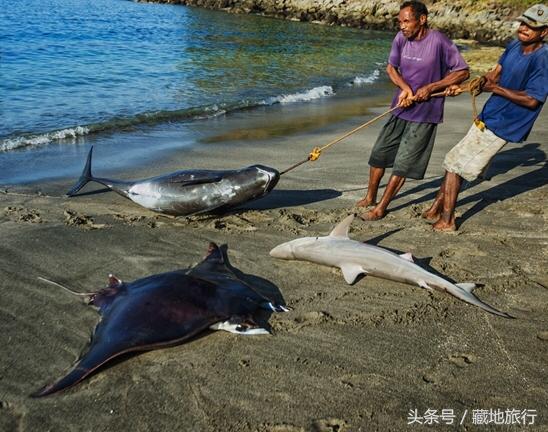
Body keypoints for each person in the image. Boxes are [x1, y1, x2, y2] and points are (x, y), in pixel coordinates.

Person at [422, 4, 548, 232]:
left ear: (544, 32)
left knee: (454, 164)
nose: (525, 28)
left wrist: (495, 89)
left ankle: (447, 221)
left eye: (532, 26)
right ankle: (435, 208)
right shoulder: (514, 45)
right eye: (524, 23)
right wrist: (469, 85)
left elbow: (532, 100)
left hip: (505, 124)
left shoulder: (543, 59)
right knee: (455, 160)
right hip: (489, 115)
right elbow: (495, 73)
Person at [357, 1, 469, 221]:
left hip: (426, 114)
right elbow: (391, 68)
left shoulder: (438, 41)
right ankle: (370, 197)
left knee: (403, 163)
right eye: (399, 21)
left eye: (406, 21)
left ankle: (381, 207)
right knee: (379, 154)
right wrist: (405, 88)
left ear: (422, 19)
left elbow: (462, 71)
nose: (402, 26)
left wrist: (431, 87)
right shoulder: (401, 39)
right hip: (400, 107)